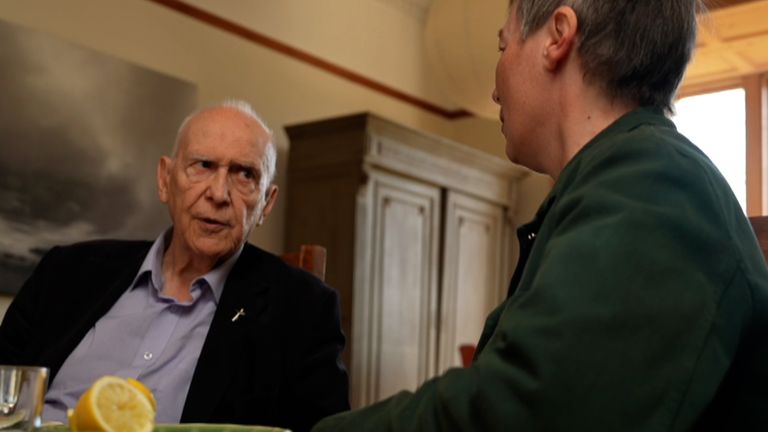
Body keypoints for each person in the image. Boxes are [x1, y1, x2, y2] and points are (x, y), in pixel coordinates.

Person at [312, 0, 768, 431]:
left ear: (557, 36)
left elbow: (523, 409)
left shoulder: (656, 182)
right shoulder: (626, 179)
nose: (495, 90)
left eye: (503, 46)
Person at [0, 100, 349, 432]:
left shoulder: (303, 309)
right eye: (204, 165)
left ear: (266, 204)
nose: (218, 193)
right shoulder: (66, 271)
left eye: (244, 174)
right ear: (165, 180)